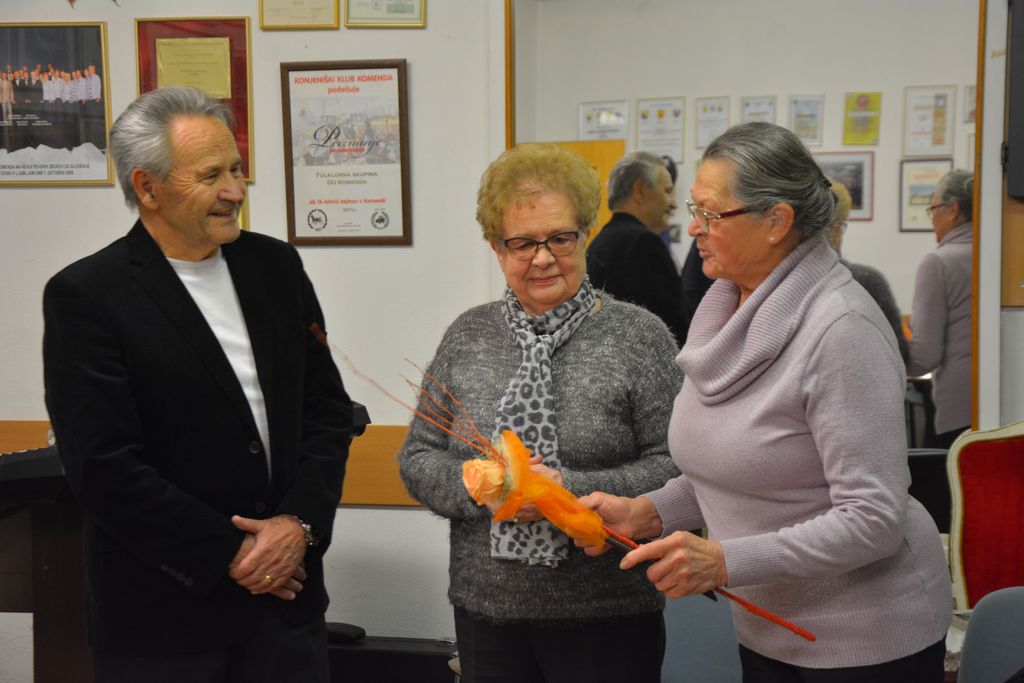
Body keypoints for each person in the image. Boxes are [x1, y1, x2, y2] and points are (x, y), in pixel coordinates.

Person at [580, 122, 951, 682]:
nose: (694, 228)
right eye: (693, 209)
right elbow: (739, 470)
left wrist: (727, 560)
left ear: (776, 221)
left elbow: (874, 519)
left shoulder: (842, 329)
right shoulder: (726, 310)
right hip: (770, 626)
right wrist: (646, 512)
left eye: (711, 213)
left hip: (862, 640)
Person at [42, 86, 353, 682]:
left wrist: (298, 526)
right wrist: (233, 552)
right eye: (211, 175)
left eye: (235, 169)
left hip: (285, 607)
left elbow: (326, 412)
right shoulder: (88, 295)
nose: (235, 190)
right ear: (147, 187)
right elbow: (102, 465)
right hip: (163, 619)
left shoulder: (276, 267)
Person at [398, 143, 682, 683]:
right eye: (523, 243)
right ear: (496, 247)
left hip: (609, 613)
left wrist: (566, 489)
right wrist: (483, 487)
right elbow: (418, 456)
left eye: (560, 238)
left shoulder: (639, 337)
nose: (543, 257)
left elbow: (679, 467)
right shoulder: (468, 336)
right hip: (488, 613)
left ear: (586, 235)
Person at [585, 150, 688, 344]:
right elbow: (673, 327)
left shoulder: (601, 241)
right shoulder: (643, 244)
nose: (673, 204)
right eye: (667, 192)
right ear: (640, 190)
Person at [906, 169, 973, 449]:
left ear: (953, 209)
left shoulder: (938, 263)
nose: (931, 219)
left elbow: (924, 357)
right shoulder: (1001, 255)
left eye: (932, 209)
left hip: (957, 411)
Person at [823, 178, 909, 362]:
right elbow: (900, 354)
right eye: (842, 225)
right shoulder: (866, 281)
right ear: (837, 229)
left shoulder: (774, 282)